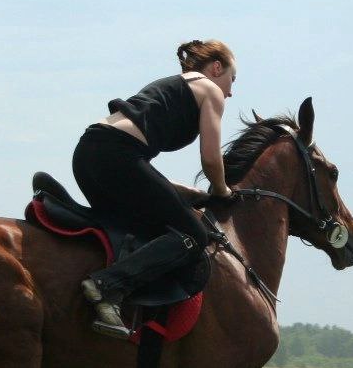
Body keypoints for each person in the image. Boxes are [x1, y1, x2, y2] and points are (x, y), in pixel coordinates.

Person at [72, 39, 237, 338]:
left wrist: (182, 191)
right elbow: (211, 159)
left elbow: (140, 162)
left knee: (148, 226)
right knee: (194, 234)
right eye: (231, 79)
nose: (230, 91)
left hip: (88, 154)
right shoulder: (210, 90)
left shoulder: (175, 86)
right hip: (117, 155)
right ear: (216, 68)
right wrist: (223, 190)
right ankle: (107, 287)